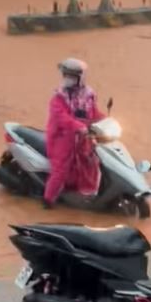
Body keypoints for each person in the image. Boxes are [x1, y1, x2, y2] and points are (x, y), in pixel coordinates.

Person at [43, 58, 105, 208]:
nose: (68, 79)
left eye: (71, 76)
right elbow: (61, 118)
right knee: (60, 171)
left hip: (83, 139)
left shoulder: (89, 94)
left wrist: (107, 121)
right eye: (66, 76)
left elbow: (94, 112)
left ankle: (81, 193)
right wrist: (78, 126)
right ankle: (48, 200)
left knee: (91, 164)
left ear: (80, 78)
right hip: (62, 138)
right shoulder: (58, 97)